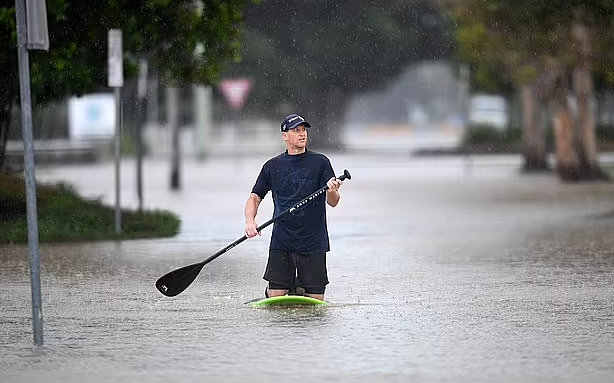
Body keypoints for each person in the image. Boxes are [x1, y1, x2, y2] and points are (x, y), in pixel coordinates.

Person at [244, 113, 344, 301]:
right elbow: (254, 198)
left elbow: (333, 201)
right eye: (296, 130)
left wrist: (331, 190)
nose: (302, 134)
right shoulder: (272, 166)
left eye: (303, 130)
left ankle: (298, 286)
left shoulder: (321, 162)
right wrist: (250, 221)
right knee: (275, 300)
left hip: (314, 242)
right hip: (282, 242)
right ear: (285, 136)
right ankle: (280, 288)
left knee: (315, 301)